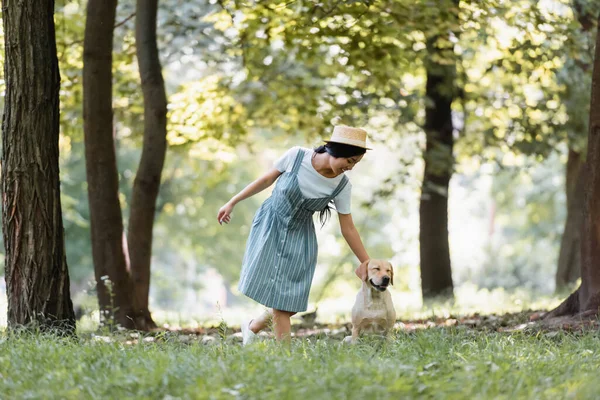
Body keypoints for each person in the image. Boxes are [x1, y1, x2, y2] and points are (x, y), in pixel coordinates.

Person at [217, 125, 371, 344]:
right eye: (350, 160)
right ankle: (286, 358)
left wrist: (366, 261)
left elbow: (348, 228)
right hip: (272, 225)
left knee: (290, 303)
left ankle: (252, 327)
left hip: (301, 237)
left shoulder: (342, 186)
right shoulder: (297, 156)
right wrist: (232, 202)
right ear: (337, 150)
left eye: (355, 163)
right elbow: (265, 180)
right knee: (282, 305)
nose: (351, 167)